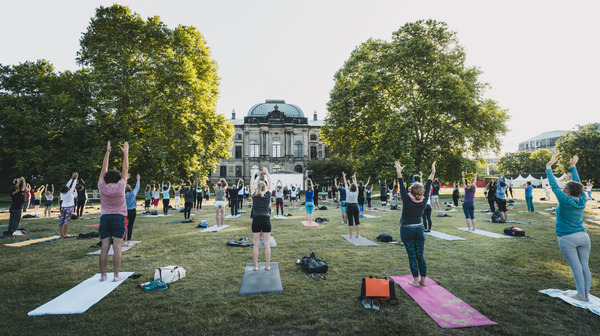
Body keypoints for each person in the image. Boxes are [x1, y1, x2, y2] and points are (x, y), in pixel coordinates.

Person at [546, 155, 591, 302]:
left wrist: (548, 167)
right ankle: (585, 295)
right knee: (584, 266)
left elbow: (553, 185)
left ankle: (580, 295)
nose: (562, 188)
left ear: (567, 191)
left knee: (576, 267)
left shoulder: (565, 199)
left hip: (567, 238)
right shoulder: (582, 198)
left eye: (565, 187)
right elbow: (578, 184)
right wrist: (573, 166)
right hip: (583, 237)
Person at [395, 160, 436, 287]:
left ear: (411, 192)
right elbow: (428, 183)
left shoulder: (407, 199)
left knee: (412, 256)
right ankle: (423, 281)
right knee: (420, 256)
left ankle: (415, 281)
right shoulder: (424, 200)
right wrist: (433, 171)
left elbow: (401, 185)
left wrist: (399, 171)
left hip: (407, 230)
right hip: (419, 230)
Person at [98, 140, 129, 282]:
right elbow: (125, 169)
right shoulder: (121, 186)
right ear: (118, 179)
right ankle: (116, 276)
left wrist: (108, 152)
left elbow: (103, 170)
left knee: (105, 247)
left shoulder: (101, 186)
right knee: (117, 247)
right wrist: (126, 153)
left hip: (105, 218)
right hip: (118, 218)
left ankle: (103, 275)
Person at [250, 167, 272, 271]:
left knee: (256, 244)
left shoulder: (254, 195)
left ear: (257, 188)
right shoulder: (268, 195)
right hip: (266, 220)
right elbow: (270, 184)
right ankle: (267, 266)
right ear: (265, 187)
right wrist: (267, 173)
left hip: (256, 220)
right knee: (267, 244)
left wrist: (253, 175)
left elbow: (251, 185)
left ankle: (256, 266)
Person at [59, 172, 78, 237]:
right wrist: (75, 178)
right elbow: (73, 185)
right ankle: (65, 234)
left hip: (63, 207)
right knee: (66, 221)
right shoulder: (69, 192)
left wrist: (72, 178)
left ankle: (61, 234)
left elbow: (67, 185)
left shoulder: (62, 193)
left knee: (61, 221)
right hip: (69, 208)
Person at [124, 174, 140, 247]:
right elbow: (137, 187)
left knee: (124, 226)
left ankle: (123, 241)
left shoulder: (122, 195)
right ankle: (128, 242)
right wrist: (138, 180)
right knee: (130, 226)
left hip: (124, 211)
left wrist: (125, 179)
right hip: (132, 211)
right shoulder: (133, 194)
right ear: (130, 189)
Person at [344, 172, 361, 238]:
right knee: (357, 221)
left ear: (350, 188)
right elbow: (356, 184)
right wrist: (354, 177)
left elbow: (345, 183)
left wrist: (344, 176)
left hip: (349, 206)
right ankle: (357, 235)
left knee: (350, 221)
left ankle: (351, 235)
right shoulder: (357, 192)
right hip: (356, 206)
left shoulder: (348, 192)